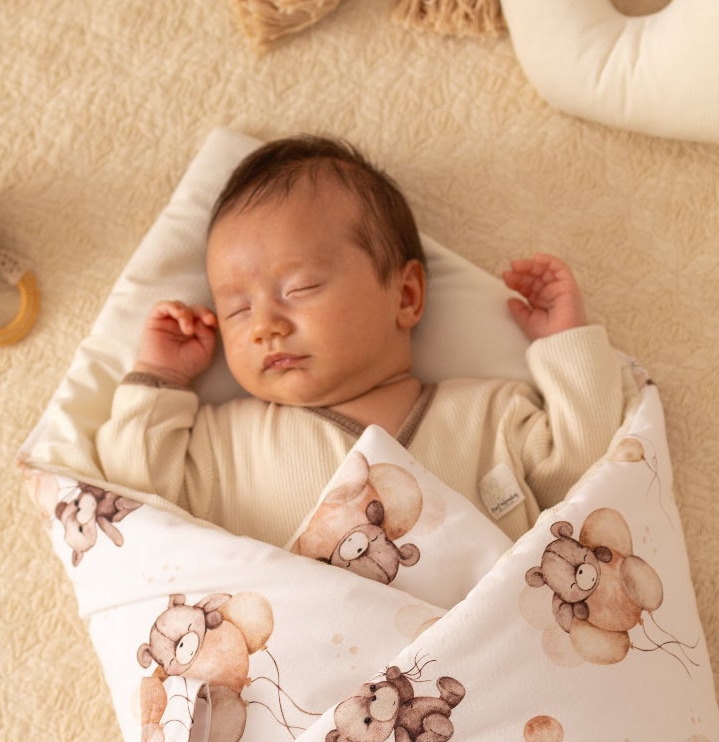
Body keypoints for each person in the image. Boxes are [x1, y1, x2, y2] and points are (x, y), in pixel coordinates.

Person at [95, 135, 625, 547]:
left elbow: (590, 469)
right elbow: (135, 498)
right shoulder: (224, 445)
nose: (264, 326)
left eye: (299, 288)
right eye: (236, 308)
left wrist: (567, 345)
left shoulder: (489, 416)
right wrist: (160, 378)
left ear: (405, 296)